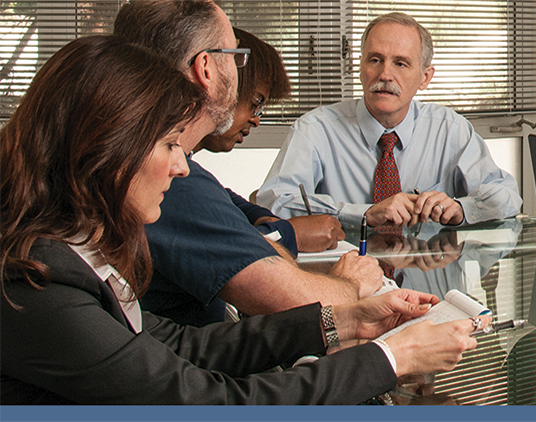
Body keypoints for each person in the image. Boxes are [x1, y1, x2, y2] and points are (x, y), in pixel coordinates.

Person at [0, 35, 485, 404]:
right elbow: (211, 401)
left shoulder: (66, 250)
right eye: (171, 144)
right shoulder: (37, 285)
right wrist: (392, 357)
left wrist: (345, 323)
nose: (182, 166)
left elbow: (177, 344)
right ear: (106, 150)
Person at [114, 0, 378, 326]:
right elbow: (304, 302)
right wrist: (350, 281)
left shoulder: (155, 164)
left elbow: (227, 204)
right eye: (237, 58)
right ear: (206, 67)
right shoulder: (171, 183)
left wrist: (265, 232)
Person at [256, 12, 520, 232]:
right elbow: (273, 202)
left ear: (424, 78)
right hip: (346, 280)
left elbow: (507, 196)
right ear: (360, 67)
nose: (385, 74)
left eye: (401, 64)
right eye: (375, 60)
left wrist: (462, 209)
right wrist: (362, 214)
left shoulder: (449, 128)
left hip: (427, 282)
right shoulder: (316, 129)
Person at [196, 27, 344, 258]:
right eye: (256, 102)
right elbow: (231, 248)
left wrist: (264, 219)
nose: (256, 120)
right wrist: (290, 233)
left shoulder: (189, 171)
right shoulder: (171, 177)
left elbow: (226, 202)